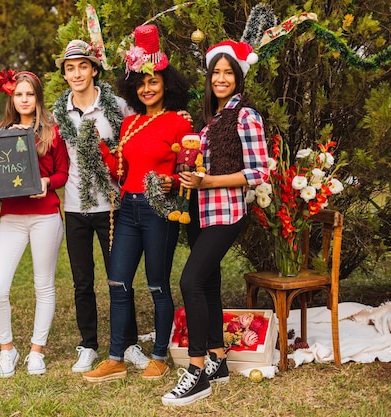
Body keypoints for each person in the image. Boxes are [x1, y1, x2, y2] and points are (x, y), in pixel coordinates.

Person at [83, 24, 194, 382]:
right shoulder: (129, 124)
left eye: (154, 82)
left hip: (158, 210)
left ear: (166, 85)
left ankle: (160, 355)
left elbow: (188, 173)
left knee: (157, 284)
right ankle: (115, 357)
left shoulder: (179, 124)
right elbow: (121, 171)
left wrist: (171, 180)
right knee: (118, 282)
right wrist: (97, 144)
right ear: (134, 87)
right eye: (141, 84)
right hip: (128, 209)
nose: (147, 88)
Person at [161, 40, 269, 406]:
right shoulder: (213, 119)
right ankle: (218, 361)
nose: (221, 79)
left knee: (189, 280)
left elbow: (258, 172)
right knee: (206, 282)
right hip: (200, 211)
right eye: (216, 73)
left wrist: (208, 182)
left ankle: (195, 372)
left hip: (225, 212)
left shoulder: (245, 116)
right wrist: (184, 178)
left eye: (228, 73)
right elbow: (203, 168)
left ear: (239, 77)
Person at [52, 39, 151, 373]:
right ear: (64, 74)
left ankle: (129, 344)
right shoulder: (57, 112)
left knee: (119, 279)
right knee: (82, 280)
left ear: (94, 69)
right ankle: (88, 345)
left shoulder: (118, 105)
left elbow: (145, 131)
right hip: (75, 205)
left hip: (112, 205)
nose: (77, 73)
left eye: (83, 66)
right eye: (70, 68)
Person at [0, 69, 69, 377]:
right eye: (19, 94)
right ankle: (7, 349)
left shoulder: (51, 131)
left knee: (43, 285)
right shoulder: (1, 132)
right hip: (12, 216)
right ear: (12, 97)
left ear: (37, 97)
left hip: (46, 216)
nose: (24, 99)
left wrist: (48, 181)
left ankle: (37, 350)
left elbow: (63, 173)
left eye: (30, 94)